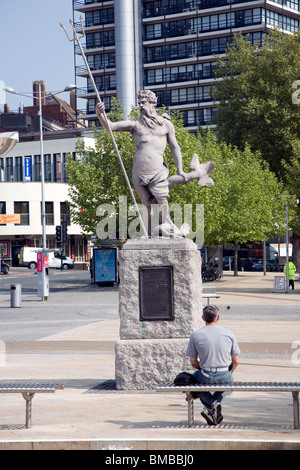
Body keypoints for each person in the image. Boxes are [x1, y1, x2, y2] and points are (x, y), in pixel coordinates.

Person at [96, 90, 214, 237]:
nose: (140, 105)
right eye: (139, 102)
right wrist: (100, 114)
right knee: (145, 204)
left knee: (162, 199)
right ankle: (147, 234)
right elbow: (111, 127)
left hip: (157, 170)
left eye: (143, 102)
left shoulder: (166, 125)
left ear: (153, 102)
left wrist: (180, 169)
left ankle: (166, 224)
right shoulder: (135, 125)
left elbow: (174, 147)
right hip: (138, 172)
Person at [186, 305, 240, 425]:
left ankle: (211, 407)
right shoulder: (229, 333)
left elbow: (193, 361)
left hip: (205, 373)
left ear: (203, 318)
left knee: (193, 383)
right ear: (218, 317)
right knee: (230, 382)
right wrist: (229, 372)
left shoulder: (195, 335)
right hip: (224, 373)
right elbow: (235, 361)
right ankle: (214, 405)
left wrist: (202, 367)